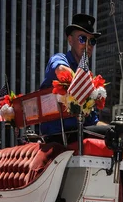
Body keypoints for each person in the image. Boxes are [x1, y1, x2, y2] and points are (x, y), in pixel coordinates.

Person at [40, 13, 106, 142]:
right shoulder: (60, 59)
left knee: (120, 132)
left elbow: (93, 121)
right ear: (70, 40)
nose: (88, 45)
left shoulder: (87, 76)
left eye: (92, 41)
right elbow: (61, 71)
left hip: (81, 132)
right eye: (82, 39)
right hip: (58, 135)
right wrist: (89, 88)